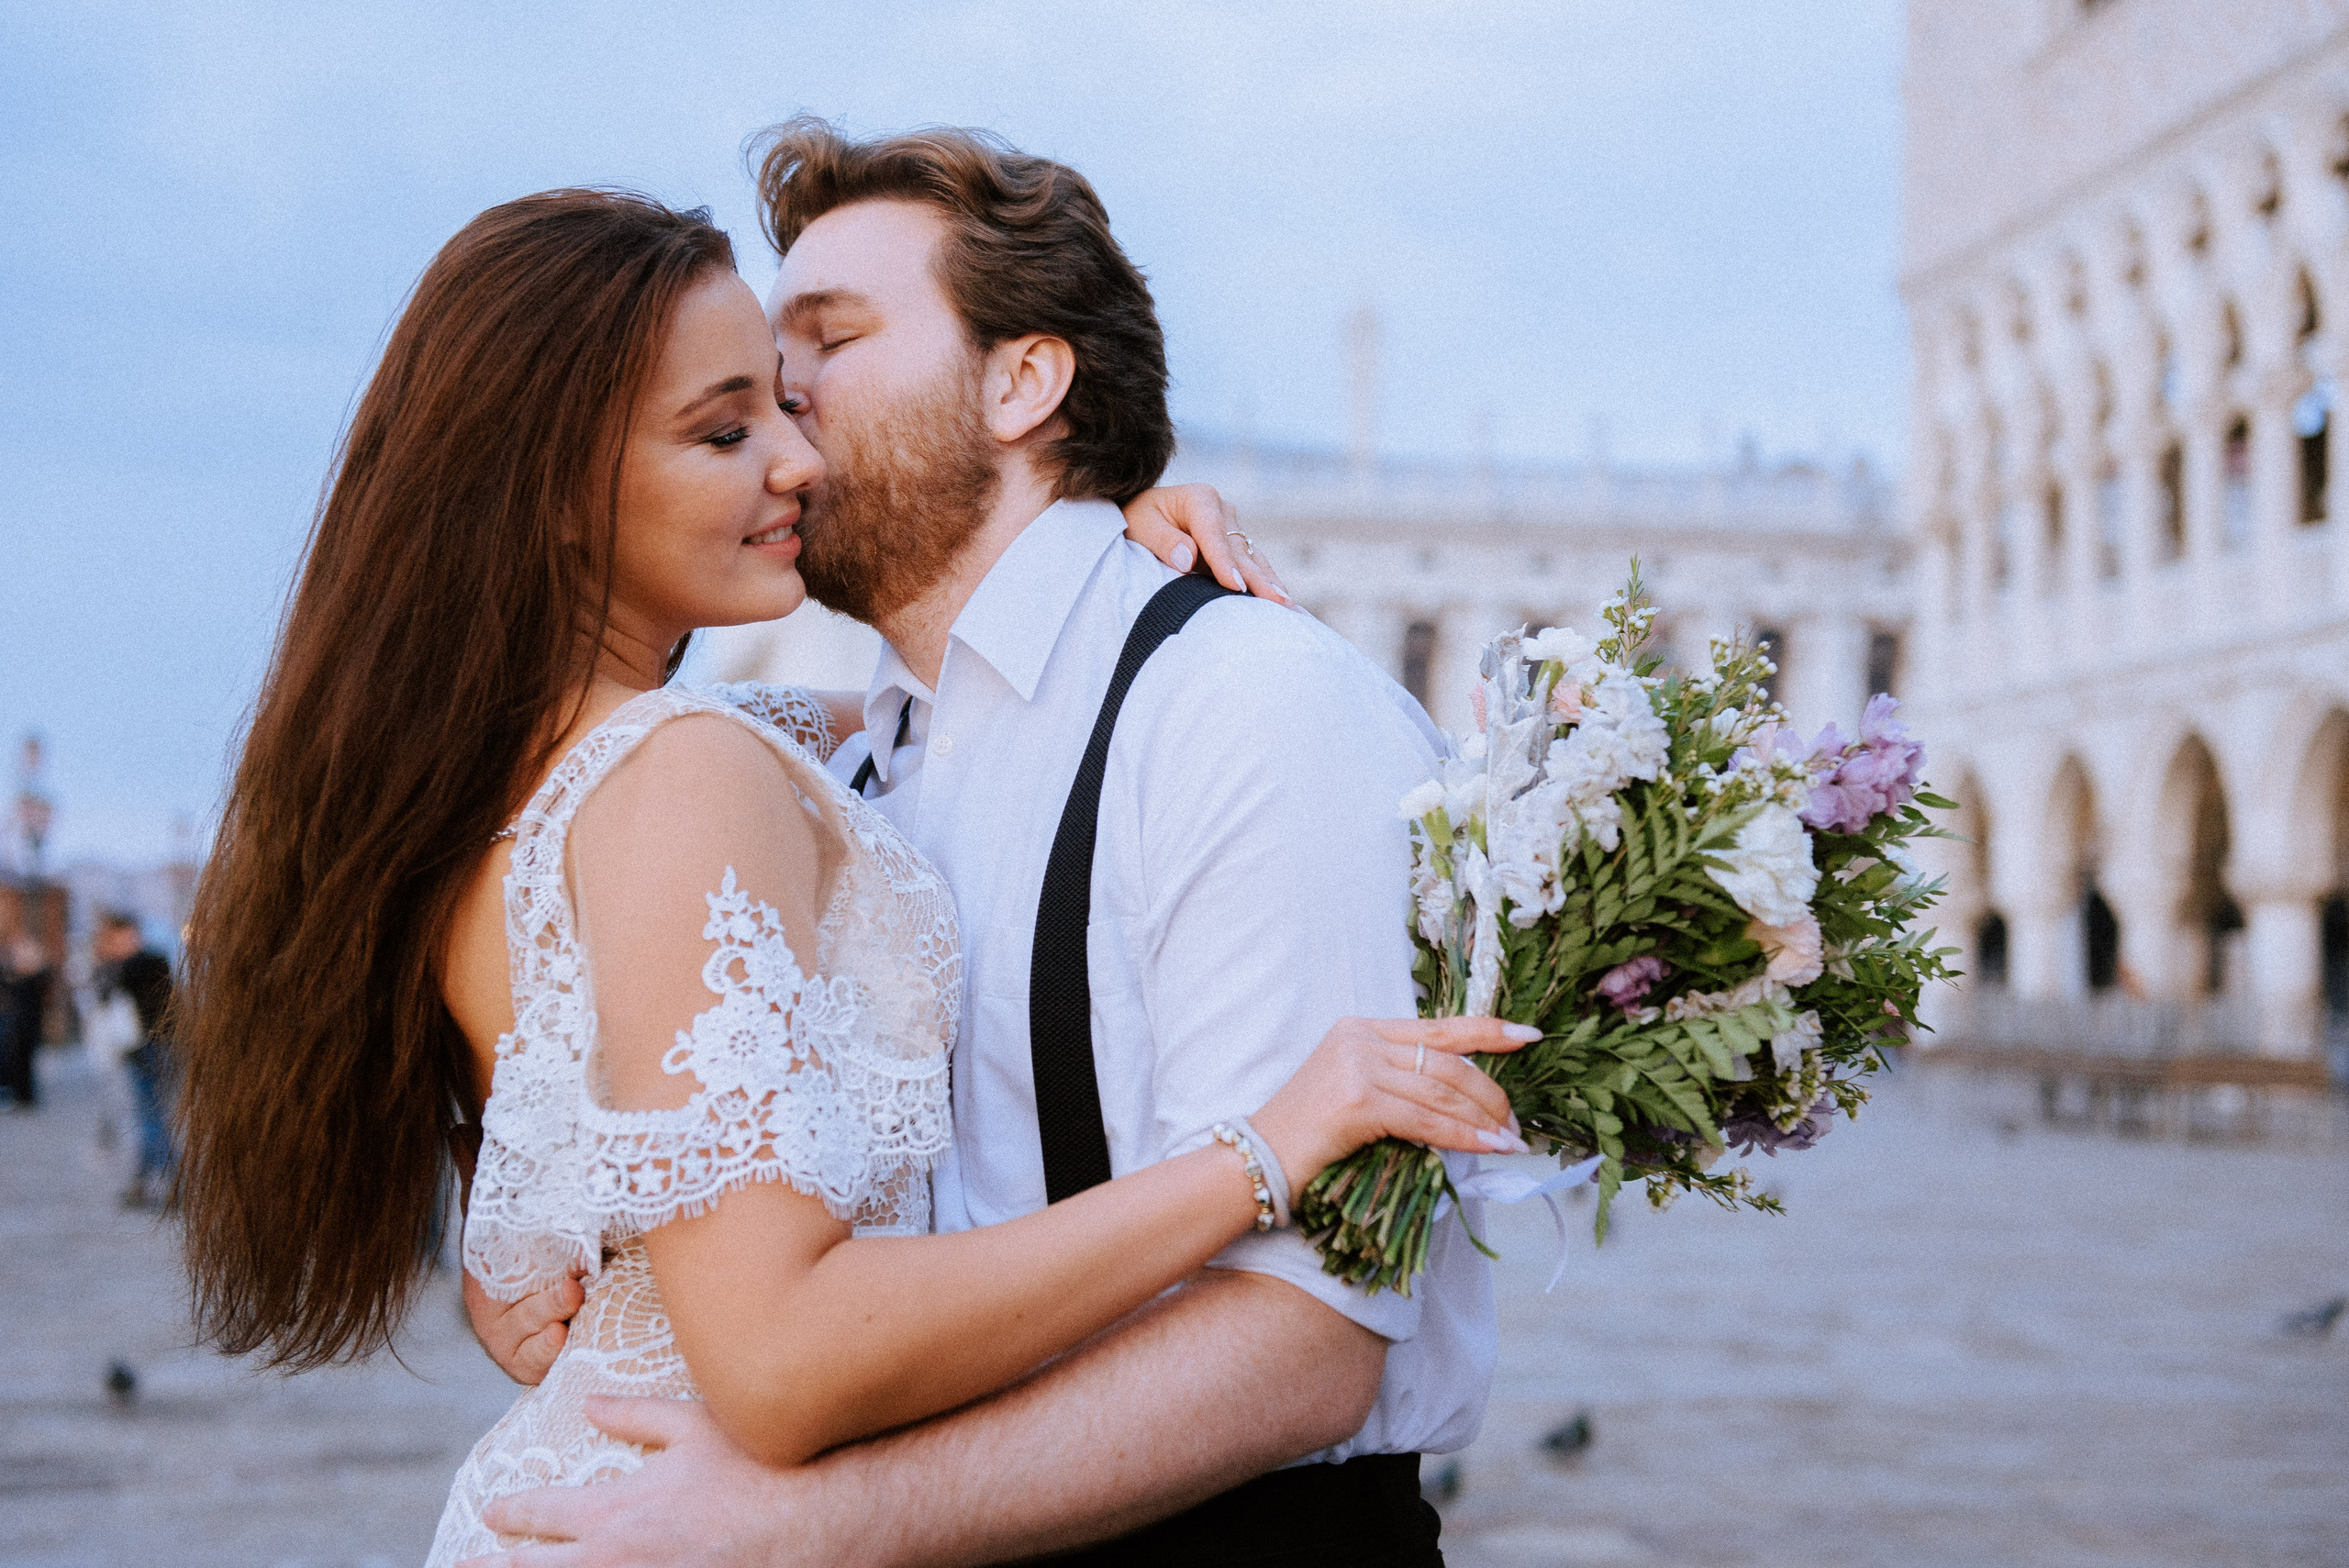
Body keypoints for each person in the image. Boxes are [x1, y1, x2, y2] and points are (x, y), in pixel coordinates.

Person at [166, 189, 1529, 1566]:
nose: (793, 434)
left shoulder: (1125, 707)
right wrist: (1254, 1158)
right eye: (733, 415)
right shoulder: (689, 767)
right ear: (564, 498)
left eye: (819, 351)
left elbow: (1308, 1342)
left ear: (1024, 381)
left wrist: (1109, 530)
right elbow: (777, 1345)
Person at [91, 914, 175, 1206]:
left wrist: (111, 959)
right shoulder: (147, 961)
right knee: (150, 1116)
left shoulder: (143, 962)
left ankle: (167, 1182)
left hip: (149, 1048)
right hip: (148, 1048)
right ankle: (146, 1183)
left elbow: (105, 993)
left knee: (151, 1117)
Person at [0, 930, 50, 1111]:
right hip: (16, 1023)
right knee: (16, 1060)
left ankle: (27, 1097)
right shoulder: (13, 974)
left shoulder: (36, 976)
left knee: (26, 1060)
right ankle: (20, 1096)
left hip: (29, 1023)